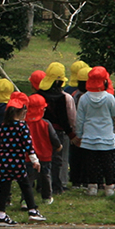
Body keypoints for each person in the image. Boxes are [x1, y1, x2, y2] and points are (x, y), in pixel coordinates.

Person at [0, 92, 44, 226]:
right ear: (23, 110)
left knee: (4, 188)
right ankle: (32, 210)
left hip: (3, 162)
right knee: (26, 186)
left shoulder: (2, 126)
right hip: (17, 162)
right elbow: (28, 145)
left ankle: (1, 215)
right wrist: (35, 160)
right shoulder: (22, 127)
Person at [74, 67, 115, 196]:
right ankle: (109, 187)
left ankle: (92, 187)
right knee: (109, 164)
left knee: (91, 164)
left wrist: (79, 135)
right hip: (106, 137)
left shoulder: (84, 98)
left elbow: (80, 119)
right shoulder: (109, 98)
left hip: (89, 137)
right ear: (105, 82)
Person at [38, 62, 75, 195]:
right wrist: (72, 135)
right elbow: (66, 119)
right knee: (57, 160)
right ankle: (56, 186)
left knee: (42, 158)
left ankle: (41, 185)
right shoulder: (63, 98)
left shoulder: (39, 95)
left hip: (41, 131)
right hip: (58, 132)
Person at [24, 94, 60, 205]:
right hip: (45, 155)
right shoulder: (46, 123)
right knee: (45, 177)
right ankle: (47, 197)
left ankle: (25, 200)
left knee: (28, 180)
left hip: (28, 157)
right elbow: (53, 137)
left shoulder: (24, 124)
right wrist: (58, 146)